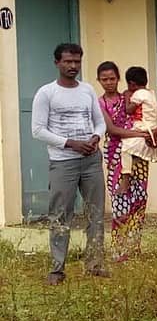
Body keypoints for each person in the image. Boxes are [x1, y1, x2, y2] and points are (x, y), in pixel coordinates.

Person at [32, 43, 108, 285]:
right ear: (57, 63)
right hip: (63, 162)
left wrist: (95, 137)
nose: (73, 66)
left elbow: (100, 122)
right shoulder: (46, 93)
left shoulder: (87, 90)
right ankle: (57, 269)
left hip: (91, 160)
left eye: (77, 61)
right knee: (60, 215)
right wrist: (70, 143)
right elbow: (38, 130)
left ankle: (95, 264)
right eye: (68, 61)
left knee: (95, 213)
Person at [97, 62, 157, 262]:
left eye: (112, 78)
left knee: (139, 199)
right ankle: (119, 250)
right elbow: (112, 130)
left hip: (139, 153)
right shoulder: (100, 103)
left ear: (119, 79)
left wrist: (152, 132)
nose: (109, 82)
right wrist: (142, 134)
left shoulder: (132, 96)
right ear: (99, 81)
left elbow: (148, 118)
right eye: (104, 79)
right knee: (120, 202)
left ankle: (134, 248)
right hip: (116, 154)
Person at [114, 66, 157, 195]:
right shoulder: (150, 93)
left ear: (132, 84)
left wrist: (127, 96)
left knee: (125, 148)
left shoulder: (138, 94)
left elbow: (129, 110)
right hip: (152, 126)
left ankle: (125, 179)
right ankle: (133, 163)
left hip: (142, 126)